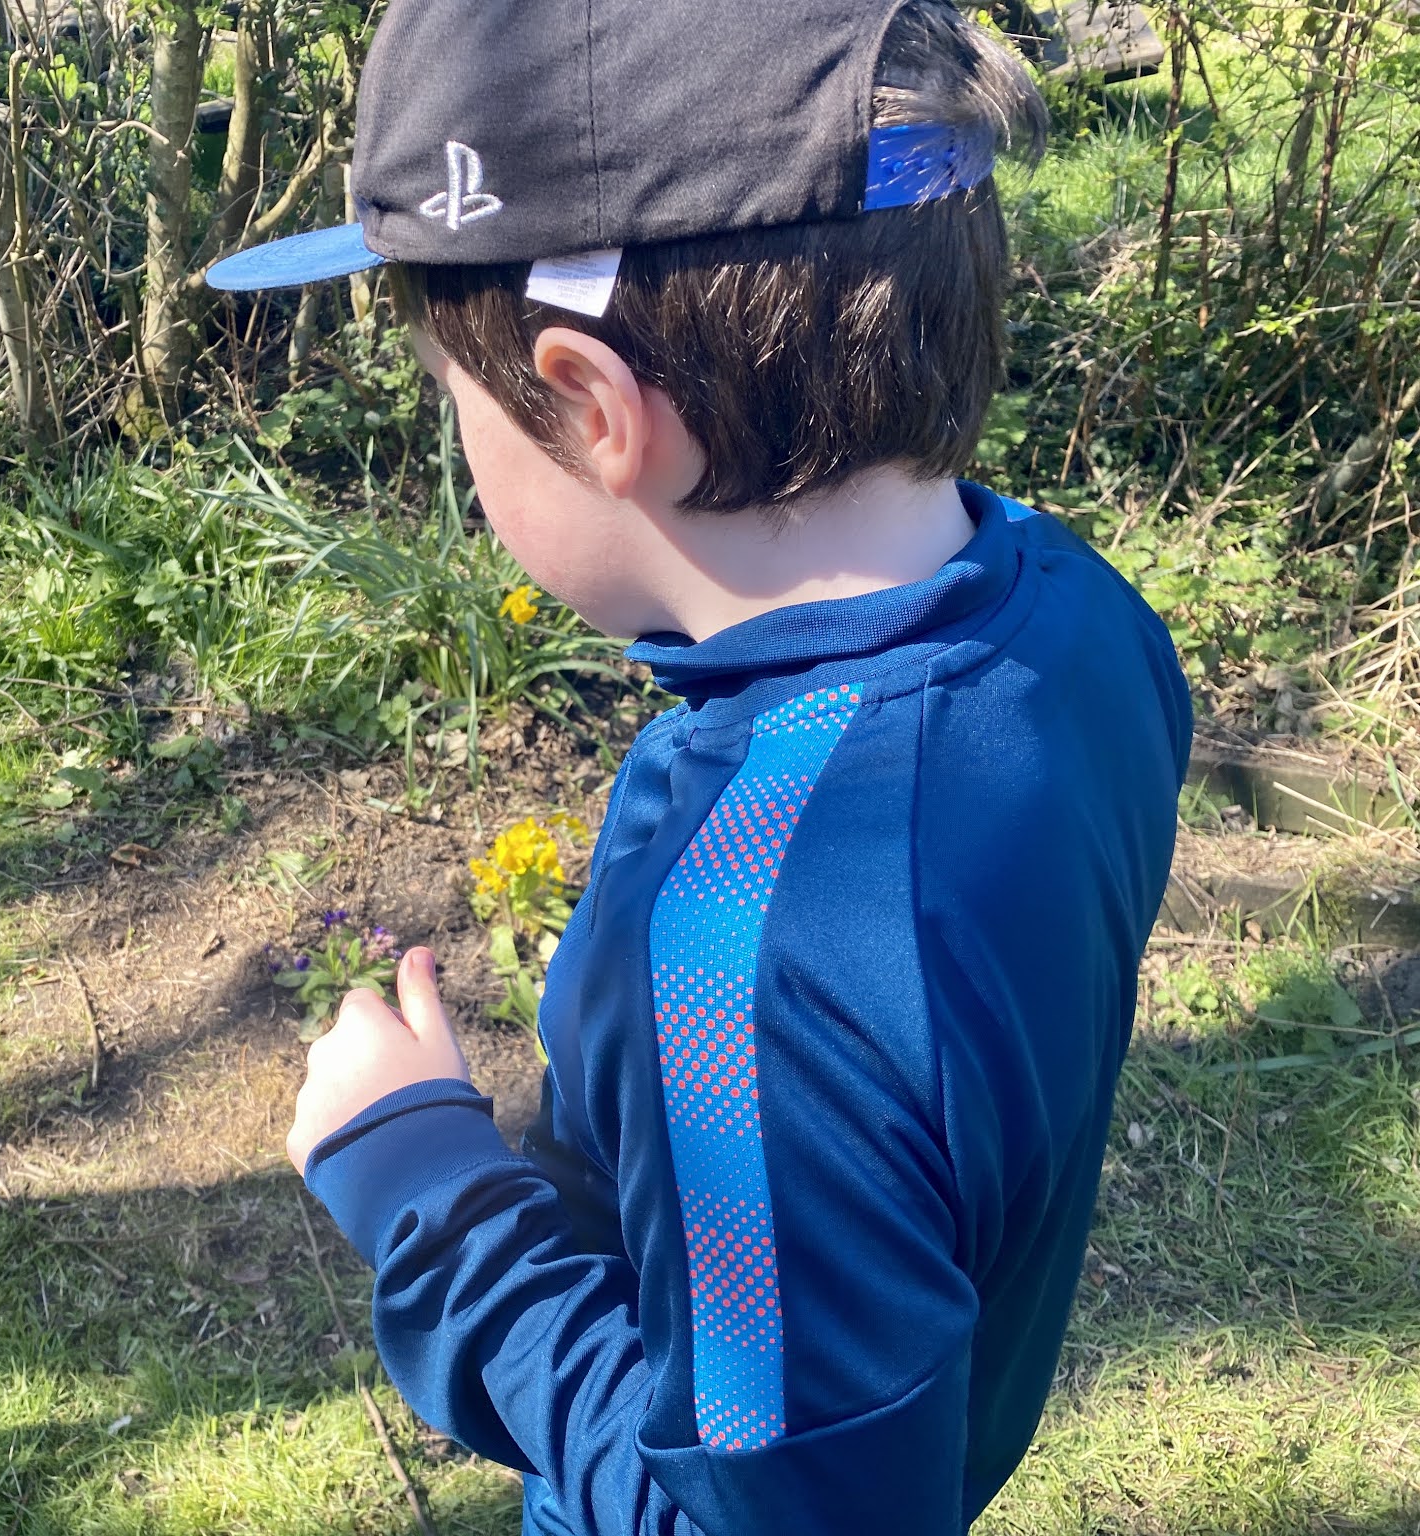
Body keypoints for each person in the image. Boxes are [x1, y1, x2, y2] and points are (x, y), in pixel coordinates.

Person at [207, 2, 1191, 1531]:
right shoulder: (1079, 621)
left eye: (454, 404)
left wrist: (428, 1196)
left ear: (592, 408)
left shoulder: (752, 955)